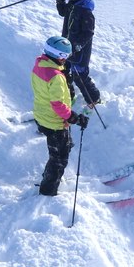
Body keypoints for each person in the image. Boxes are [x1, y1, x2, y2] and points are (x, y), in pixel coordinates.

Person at [31, 36, 89, 196]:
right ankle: (48, 191)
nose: (66, 59)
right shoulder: (56, 76)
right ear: (59, 56)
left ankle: (49, 176)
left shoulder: (40, 65)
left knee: (60, 149)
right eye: (65, 56)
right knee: (59, 159)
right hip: (54, 122)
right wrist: (73, 117)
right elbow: (57, 104)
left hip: (42, 115)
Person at [54, 0, 101, 107]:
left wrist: (76, 47)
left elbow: (88, 33)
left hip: (79, 51)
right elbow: (63, 12)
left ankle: (94, 100)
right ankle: (69, 95)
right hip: (66, 46)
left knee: (79, 76)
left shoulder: (85, 12)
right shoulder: (74, 3)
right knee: (63, 71)